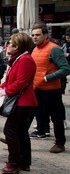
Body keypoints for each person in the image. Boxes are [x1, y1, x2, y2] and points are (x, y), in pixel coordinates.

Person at [0, 33, 38, 174]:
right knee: (20, 132)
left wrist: (6, 90)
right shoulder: (18, 59)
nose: (7, 45)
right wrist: (2, 87)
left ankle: (14, 163)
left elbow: (21, 82)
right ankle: (24, 162)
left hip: (23, 101)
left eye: (10, 43)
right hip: (22, 100)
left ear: (17, 46)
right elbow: (11, 79)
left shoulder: (25, 60)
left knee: (10, 130)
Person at [29, 23, 69, 153]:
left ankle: (60, 143)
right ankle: (20, 137)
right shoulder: (35, 49)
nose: (35, 37)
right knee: (32, 113)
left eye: (38, 35)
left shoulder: (54, 49)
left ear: (45, 35)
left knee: (56, 117)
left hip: (52, 90)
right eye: (33, 35)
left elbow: (65, 69)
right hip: (37, 88)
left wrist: (47, 78)